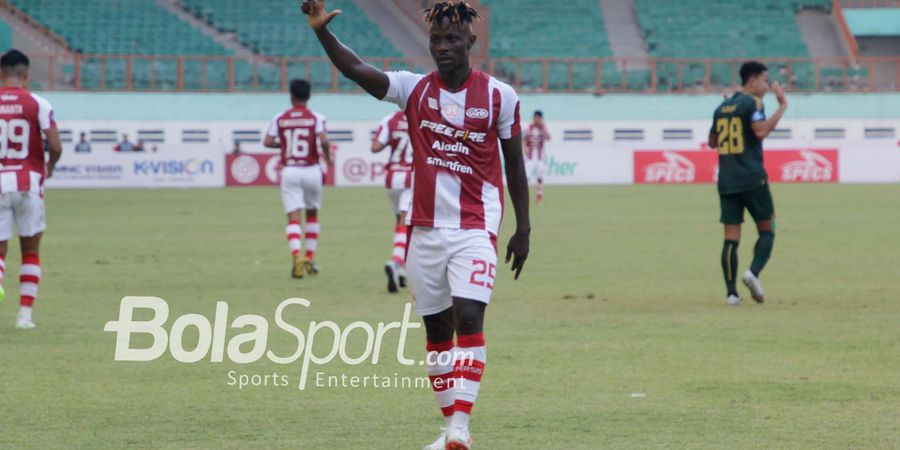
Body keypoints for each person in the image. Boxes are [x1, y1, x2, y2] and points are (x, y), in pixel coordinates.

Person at [303, 2, 531, 449]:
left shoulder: (500, 97)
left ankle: (460, 427)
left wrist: (524, 228)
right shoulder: (412, 90)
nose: (442, 47)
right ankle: (449, 429)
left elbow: (515, 165)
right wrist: (320, 33)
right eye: (436, 40)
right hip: (423, 231)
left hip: (474, 228)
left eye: (451, 40)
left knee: (469, 316)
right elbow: (355, 69)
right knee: (437, 334)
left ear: (471, 43)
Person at [708, 61, 787, 306]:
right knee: (767, 229)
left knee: (731, 238)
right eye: (764, 80)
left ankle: (731, 294)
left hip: (727, 180)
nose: (767, 85)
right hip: (752, 178)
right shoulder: (754, 103)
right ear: (751, 81)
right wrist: (782, 105)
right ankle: (752, 273)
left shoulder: (721, 107)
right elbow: (761, 131)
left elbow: (712, 142)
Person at [0, 49, 62, 329]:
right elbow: (56, 144)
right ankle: (24, 316)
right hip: (28, 184)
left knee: (0, 250)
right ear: (26, 75)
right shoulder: (38, 103)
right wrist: (50, 165)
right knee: (31, 249)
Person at [263, 79, 331, 278]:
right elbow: (324, 140)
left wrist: (284, 146)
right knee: (312, 214)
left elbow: (267, 141)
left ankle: (296, 256)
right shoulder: (316, 117)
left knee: (293, 216)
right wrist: (327, 156)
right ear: (309, 96)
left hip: (290, 170)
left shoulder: (280, 118)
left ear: (291, 96)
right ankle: (310, 257)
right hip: (312, 170)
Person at [371, 110, 412, 293]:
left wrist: (395, 138)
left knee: (400, 222)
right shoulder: (425, 114)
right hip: (412, 176)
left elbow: (375, 147)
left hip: (392, 176)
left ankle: (402, 270)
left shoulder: (390, 120)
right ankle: (395, 263)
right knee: (408, 223)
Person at [524, 110, 550, 205]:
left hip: (540, 157)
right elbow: (523, 139)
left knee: (539, 177)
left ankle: (539, 196)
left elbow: (548, 137)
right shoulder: (529, 127)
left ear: (540, 119)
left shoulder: (542, 128)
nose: (536, 119)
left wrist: (543, 127)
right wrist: (524, 148)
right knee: (526, 177)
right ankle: (525, 197)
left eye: (538, 118)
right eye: (535, 118)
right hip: (530, 157)